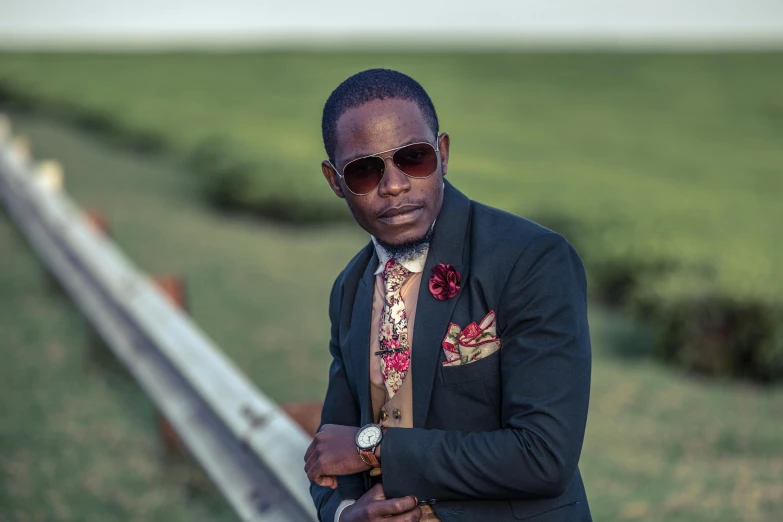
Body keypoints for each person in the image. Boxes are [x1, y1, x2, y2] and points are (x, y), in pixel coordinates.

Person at [304, 68, 592, 522]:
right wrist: (345, 513)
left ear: (442, 153)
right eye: (363, 170)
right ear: (335, 181)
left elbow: (544, 455)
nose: (394, 185)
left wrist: (374, 448)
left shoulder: (531, 260)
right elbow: (329, 451)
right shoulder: (350, 287)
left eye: (414, 158)